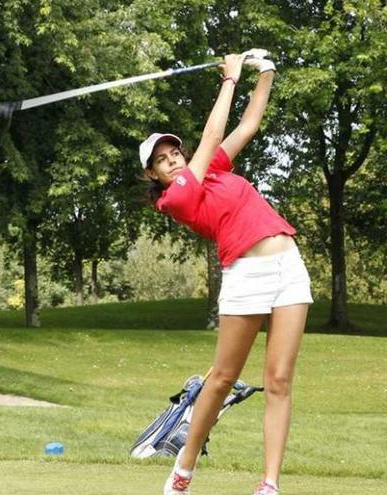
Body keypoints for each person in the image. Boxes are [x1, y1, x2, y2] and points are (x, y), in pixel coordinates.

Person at [140, 51, 312, 495]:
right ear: (154, 176)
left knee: (278, 379)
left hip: (288, 265)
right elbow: (213, 133)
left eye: (174, 151)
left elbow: (245, 128)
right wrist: (230, 80)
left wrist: (266, 72)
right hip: (245, 273)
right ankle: (185, 465)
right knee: (222, 378)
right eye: (163, 159)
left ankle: (270, 483)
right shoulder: (175, 199)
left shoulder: (211, 170)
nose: (174, 159)